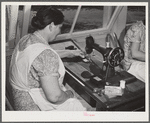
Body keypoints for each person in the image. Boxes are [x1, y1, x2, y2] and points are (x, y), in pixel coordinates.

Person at [9, 6, 87, 111]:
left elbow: (38, 57)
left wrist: (68, 53)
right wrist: (69, 94)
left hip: (18, 99)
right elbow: (55, 97)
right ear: (51, 26)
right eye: (60, 27)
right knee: (82, 106)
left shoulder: (26, 39)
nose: (59, 32)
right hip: (33, 107)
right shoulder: (47, 55)